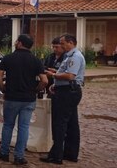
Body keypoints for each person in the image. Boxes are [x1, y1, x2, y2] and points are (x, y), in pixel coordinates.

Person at [0, 34, 48, 165]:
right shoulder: (36, 60)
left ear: (19, 43)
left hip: (12, 97)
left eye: (16, 41)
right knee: (24, 127)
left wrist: (3, 88)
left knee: (8, 125)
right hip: (28, 98)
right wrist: (36, 90)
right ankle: (19, 156)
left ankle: (4, 152)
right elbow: (44, 80)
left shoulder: (8, 58)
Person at [40, 34, 85, 164]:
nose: (61, 46)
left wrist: (53, 75)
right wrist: (56, 83)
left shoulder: (74, 56)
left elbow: (70, 76)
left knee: (59, 123)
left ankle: (56, 155)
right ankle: (70, 153)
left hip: (67, 93)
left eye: (63, 43)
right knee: (71, 123)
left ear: (70, 43)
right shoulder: (69, 56)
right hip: (67, 90)